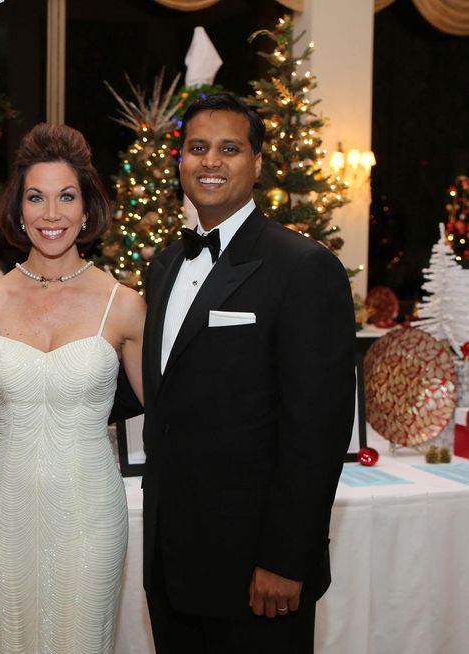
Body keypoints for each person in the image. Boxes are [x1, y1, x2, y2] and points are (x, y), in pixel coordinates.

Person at [140, 92, 355, 652]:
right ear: (180, 160)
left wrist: (286, 559)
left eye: (229, 149)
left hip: (257, 571)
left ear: (257, 163)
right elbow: (167, 387)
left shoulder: (304, 268)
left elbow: (318, 431)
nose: (210, 161)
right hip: (173, 561)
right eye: (197, 148)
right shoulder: (164, 264)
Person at [0, 122, 146, 653]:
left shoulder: (123, 304)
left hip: (90, 512)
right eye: (36, 198)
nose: (51, 214)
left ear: (87, 208)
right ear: (18, 209)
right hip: (5, 512)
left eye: (66, 197)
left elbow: (168, 407)